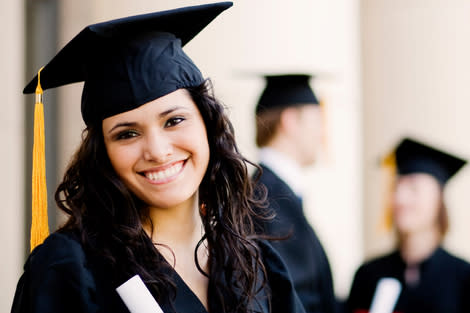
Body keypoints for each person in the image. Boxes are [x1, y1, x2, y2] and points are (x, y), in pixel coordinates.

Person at [11, 3, 307, 313]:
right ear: (103, 153)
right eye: (127, 133)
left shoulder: (255, 263)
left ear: (207, 125)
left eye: (174, 121)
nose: (157, 150)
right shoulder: (71, 269)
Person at [347, 137, 470, 313]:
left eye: (413, 188)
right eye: (396, 188)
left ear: (438, 199)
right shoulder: (368, 275)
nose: (400, 198)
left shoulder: (463, 277)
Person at [253, 74, 337, 313]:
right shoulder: (269, 200)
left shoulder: (272, 192)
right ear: (291, 121)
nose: (322, 134)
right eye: (317, 121)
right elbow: (297, 296)